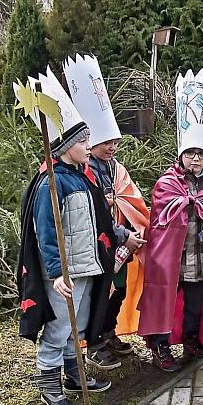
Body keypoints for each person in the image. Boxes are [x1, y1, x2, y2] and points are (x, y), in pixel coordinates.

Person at [16, 68, 115, 405]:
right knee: (59, 329)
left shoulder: (78, 178)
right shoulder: (51, 185)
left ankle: (74, 374)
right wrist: (58, 272)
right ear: (68, 145)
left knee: (78, 327)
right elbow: (46, 233)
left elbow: (92, 224)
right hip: (64, 276)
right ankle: (48, 383)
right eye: (85, 141)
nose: (90, 147)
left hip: (85, 268)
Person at [137, 70, 203, 373]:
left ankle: (192, 337)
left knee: (195, 303)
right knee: (165, 301)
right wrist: (184, 210)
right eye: (190, 153)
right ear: (181, 154)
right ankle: (160, 344)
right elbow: (160, 220)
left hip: (201, 259)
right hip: (172, 260)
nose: (195, 159)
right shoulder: (167, 183)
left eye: (201, 154)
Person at [64, 54, 150, 370]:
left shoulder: (115, 167)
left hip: (122, 242)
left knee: (120, 288)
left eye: (114, 141)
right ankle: (95, 341)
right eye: (104, 141)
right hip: (100, 243)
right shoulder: (83, 170)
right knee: (100, 292)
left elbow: (130, 198)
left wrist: (132, 226)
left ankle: (110, 331)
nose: (111, 146)